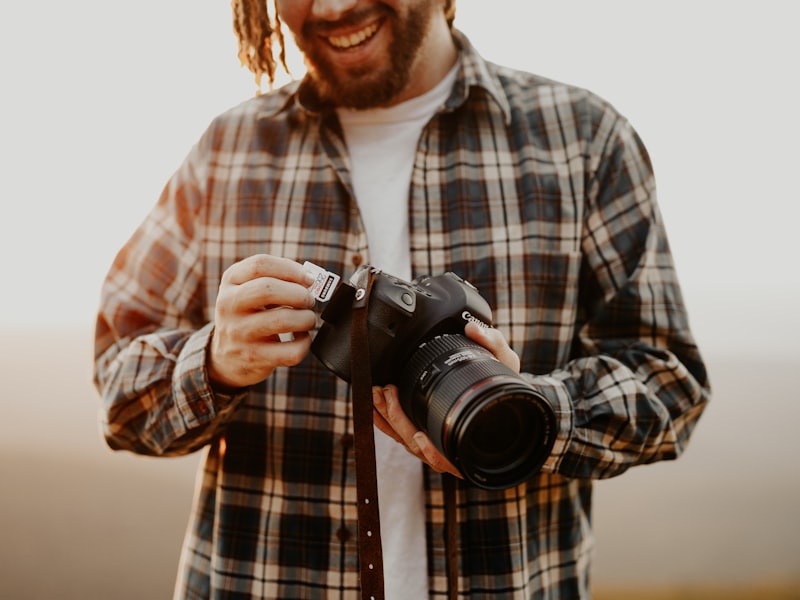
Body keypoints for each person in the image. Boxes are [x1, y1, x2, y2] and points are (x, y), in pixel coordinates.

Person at [93, 0, 711, 598]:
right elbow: (118, 385)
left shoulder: (581, 141)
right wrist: (215, 363)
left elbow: (669, 382)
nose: (332, 7)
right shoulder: (228, 152)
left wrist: (526, 414)